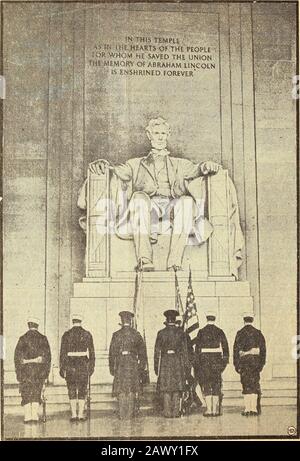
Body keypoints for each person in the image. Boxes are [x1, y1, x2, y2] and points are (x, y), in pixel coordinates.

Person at [77, 118, 244, 273]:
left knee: (186, 202)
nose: (160, 137)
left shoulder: (180, 164)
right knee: (138, 198)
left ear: (168, 135)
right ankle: (144, 259)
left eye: (163, 133)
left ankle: (174, 262)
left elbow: (197, 169)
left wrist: (207, 165)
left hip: (173, 206)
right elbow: (118, 171)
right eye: (156, 133)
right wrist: (104, 165)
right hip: (149, 206)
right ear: (149, 135)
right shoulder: (135, 164)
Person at [108, 311, 147, 420]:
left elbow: (112, 354)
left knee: (121, 388)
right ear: (130, 321)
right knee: (131, 388)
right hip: (132, 363)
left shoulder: (116, 335)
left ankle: (122, 414)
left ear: (121, 321)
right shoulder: (136, 334)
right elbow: (142, 353)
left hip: (120, 363)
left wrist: (112, 368)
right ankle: (129, 414)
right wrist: (141, 367)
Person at [14, 317, 51, 423]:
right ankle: (34, 416)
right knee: (36, 392)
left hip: (25, 371)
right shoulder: (43, 338)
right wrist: (46, 373)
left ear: (28, 325)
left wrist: (19, 372)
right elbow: (47, 358)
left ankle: (27, 416)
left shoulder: (22, 338)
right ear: (37, 326)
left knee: (25, 392)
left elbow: (17, 358)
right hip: (38, 371)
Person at [154, 309, 190, 418]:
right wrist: (186, 368)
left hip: (165, 362)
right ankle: (176, 412)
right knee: (177, 387)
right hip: (177, 362)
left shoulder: (161, 333)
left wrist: (156, 368)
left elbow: (156, 352)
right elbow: (185, 352)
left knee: (166, 388)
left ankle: (167, 412)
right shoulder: (181, 333)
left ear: (166, 320)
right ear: (175, 320)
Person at [59, 314, 95, 421]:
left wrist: (62, 368)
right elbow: (92, 353)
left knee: (71, 389)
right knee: (82, 389)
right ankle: (80, 414)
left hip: (70, 364)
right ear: (81, 321)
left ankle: (73, 414)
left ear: (73, 321)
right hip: (83, 364)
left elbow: (62, 353)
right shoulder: (87, 334)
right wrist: (91, 367)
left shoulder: (66, 335)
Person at [195, 311, 229, 417]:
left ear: (207, 319)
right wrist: (223, 364)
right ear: (214, 319)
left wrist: (199, 364)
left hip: (205, 362)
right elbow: (225, 349)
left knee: (206, 385)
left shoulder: (201, 331)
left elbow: (197, 350)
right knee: (216, 386)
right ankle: (215, 410)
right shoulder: (220, 331)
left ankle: (209, 410)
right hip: (217, 362)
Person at [233, 312, 266, 416]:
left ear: (244, 320)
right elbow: (263, 350)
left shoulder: (239, 333)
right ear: (252, 320)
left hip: (244, 363)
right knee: (255, 384)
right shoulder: (258, 333)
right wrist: (261, 364)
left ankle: (247, 409)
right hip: (255, 363)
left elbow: (235, 351)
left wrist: (236, 365)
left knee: (246, 385)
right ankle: (254, 409)